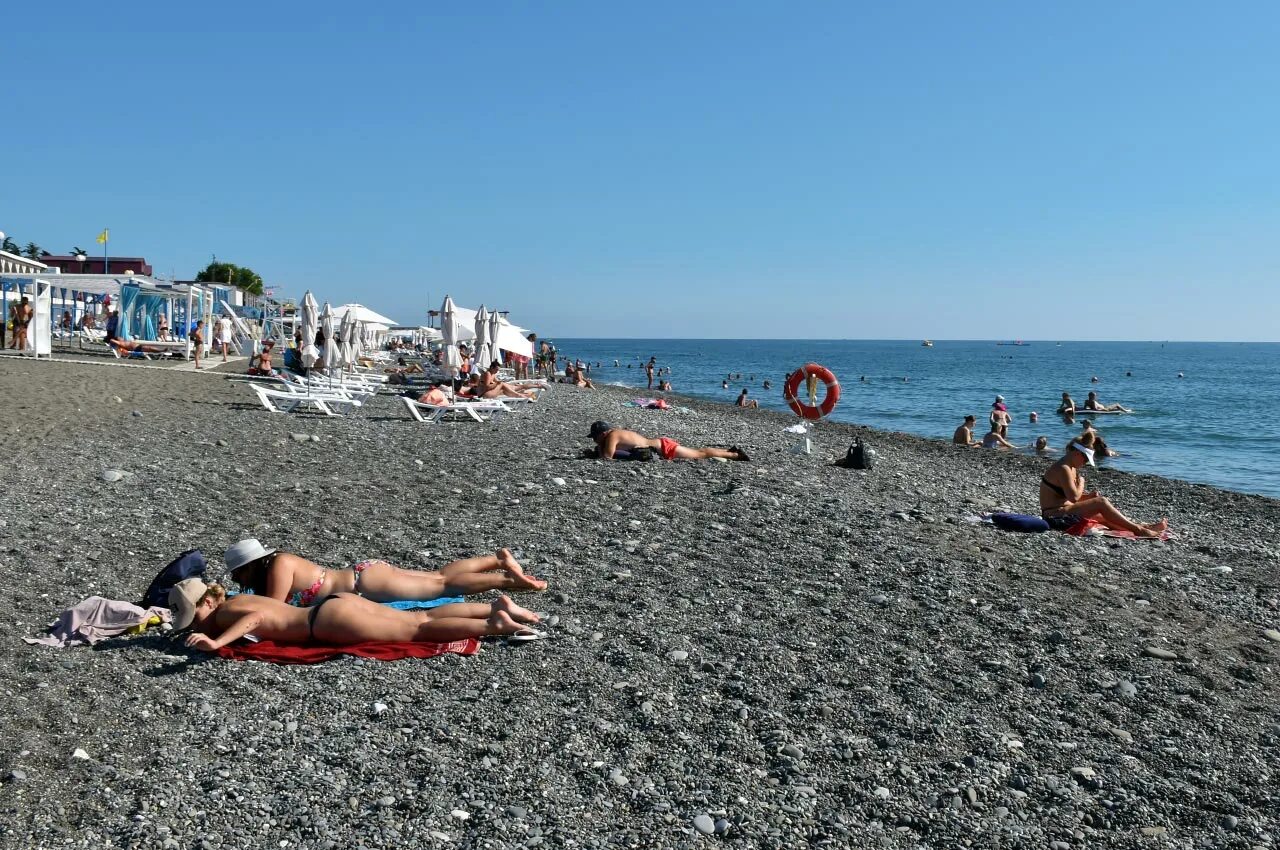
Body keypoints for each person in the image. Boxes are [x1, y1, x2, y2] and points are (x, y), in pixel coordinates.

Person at [170, 579, 538, 651]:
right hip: (333, 606)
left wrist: (216, 640)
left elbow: (253, 623)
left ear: (206, 605)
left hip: (325, 624)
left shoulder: (223, 615)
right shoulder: (236, 599)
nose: (197, 625)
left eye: (195, 618)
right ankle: (493, 607)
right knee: (422, 617)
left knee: (418, 630)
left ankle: (493, 625)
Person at [224, 538, 548, 607]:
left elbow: (272, 608)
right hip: (365, 575)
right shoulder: (279, 562)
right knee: (439, 576)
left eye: (238, 575)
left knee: (443, 586)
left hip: (365, 584)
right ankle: (497, 560)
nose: (239, 582)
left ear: (249, 567)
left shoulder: (279, 565)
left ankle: (508, 580)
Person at [1039, 432, 1167, 537]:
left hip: (1062, 511)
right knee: (1102, 502)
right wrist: (1082, 483)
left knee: (1104, 516)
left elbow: (1066, 495)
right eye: (1085, 460)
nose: (1085, 463)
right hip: (1054, 517)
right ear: (1077, 454)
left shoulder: (1070, 467)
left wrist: (1088, 496)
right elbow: (1073, 498)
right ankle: (1139, 530)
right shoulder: (1063, 468)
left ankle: (1142, 527)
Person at [588, 420, 748, 461]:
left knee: (700, 454)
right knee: (698, 452)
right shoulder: (615, 433)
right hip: (660, 444)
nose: (595, 441)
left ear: (602, 433)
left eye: (595, 438)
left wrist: (599, 449)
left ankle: (734, 455)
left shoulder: (612, 436)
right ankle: (729, 452)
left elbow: (607, 457)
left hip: (663, 448)